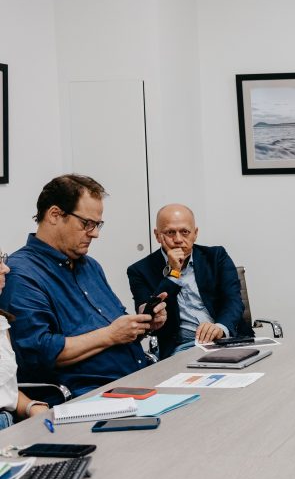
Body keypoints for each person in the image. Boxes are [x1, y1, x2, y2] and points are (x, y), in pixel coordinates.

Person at [0, 174, 167, 399]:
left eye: (98, 225)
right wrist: (110, 335)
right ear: (55, 215)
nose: (95, 234)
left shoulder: (90, 266)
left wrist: (142, 323)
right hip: (88, 395)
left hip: (135, 379)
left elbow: (116, 326)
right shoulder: (21, 274)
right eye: (87, 224)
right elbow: (40, 352)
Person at [127, 204, 251, 359]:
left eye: (185, 232)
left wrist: (220, 328)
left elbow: (233, 301)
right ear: (158, 235)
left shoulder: (216, 256)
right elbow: (149, 317)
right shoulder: (139, 271)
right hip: (183, 348)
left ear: (195, 233)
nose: (178, 240)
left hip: (228, 340)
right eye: (170, 232)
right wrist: (173, 273)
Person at [0, 250, 51, 429]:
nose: (6, 269)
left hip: (8, 424)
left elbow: (5, 390)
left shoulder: (1, 322)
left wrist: (31, 407)